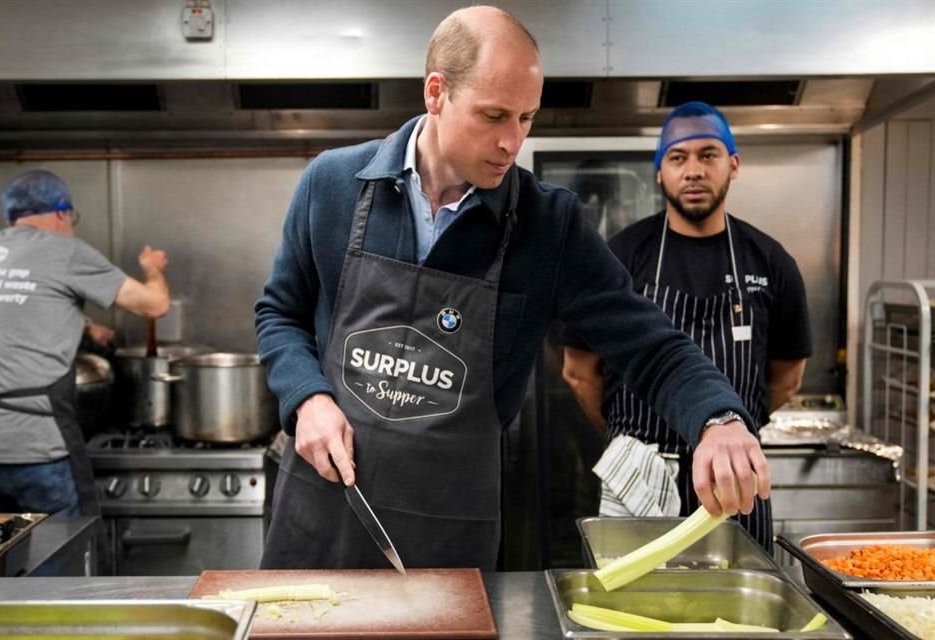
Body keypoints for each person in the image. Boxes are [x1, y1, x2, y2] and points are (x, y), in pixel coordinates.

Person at [255, 6, 771, 571]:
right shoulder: (332, 184)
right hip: (325, 502)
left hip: (447, 531)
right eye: (493, 115)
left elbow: (653, 348)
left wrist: (719, 419)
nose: (512, 142)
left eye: (526, 118)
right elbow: (280, 313)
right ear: (436, 92)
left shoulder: (548, 226)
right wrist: (306, 397)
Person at [562, 102, 812, 551]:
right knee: (629, 611)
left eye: (708, 155)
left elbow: (787, 378)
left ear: (733, 164)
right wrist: (628, 434)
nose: (693, 170)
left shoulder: (771, 261)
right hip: (638, 474)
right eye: (678, 158)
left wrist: (739, 427)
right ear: (659, 173)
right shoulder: (621, 255)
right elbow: (579, 372)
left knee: (737, 611)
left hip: (734, 481)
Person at [0, 169, 170, 518]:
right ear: (62, 212)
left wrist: (86, 327)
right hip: (35, 448)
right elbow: (155, 305)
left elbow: (11, 310)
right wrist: (152, 268)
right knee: (60, 564)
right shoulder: (65, 251)